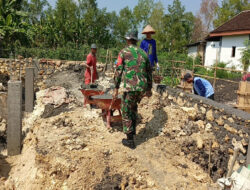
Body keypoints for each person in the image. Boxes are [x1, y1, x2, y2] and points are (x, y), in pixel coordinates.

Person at [113, 30, 152, 149]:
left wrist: (116, 87)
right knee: (134, 108)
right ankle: (133, 132)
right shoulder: (144, 53)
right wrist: (149, 88)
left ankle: (130, 140)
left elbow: (119, 70)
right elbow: (149, 72)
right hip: (141, 88)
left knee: (126, 111)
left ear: (128, 39)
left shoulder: (123, 52)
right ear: (136, 40)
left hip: (130, 87)